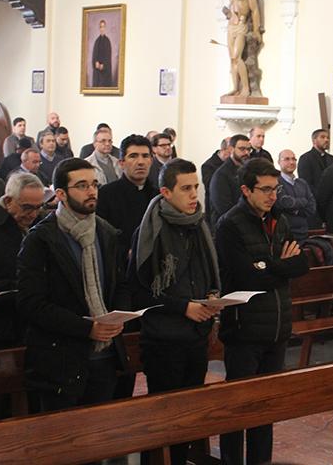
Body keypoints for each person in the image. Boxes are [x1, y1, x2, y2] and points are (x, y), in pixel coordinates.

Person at [17, 158, 131, 411]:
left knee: (100, 442)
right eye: (81, 185)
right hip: (60, 361)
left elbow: (119, 284)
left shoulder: (107, 232)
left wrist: (117, 317)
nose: (91, 191)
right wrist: (85, 328)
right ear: (61, 194)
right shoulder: (41, 239)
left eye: (94, 184)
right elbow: (31, 303)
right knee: (61, 444)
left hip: (106, 356)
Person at [128, 159, 220, 465]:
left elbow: (203, 275)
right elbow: (140, 292)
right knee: (162, 422)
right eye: (186, 188)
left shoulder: (198, 225)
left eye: (196, 187)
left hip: (196, 336)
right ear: (166, 192)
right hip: (163, 340)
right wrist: (184, 307)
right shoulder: (149, 232)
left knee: (188, 420)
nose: (194, 194)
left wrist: (210, 297)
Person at [216, 157, 307, 465]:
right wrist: (280, 266)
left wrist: (272, 267)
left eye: (276, 188)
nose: (273, 196)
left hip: (277, 329)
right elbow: (246, 276)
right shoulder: (230, 225)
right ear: (246, 190)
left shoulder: (279, 220)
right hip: (244, 330)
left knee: (265, 408)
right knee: (237, 408)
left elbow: (302, 264)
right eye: (266, 189)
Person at [0, 173, 45, 420]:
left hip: (30, 323)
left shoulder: (38, 223)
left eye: (39, 207)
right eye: (27, 207)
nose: (33, 214)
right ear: (8, 200)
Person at [96, 134, 158, 261]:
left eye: (145, 156)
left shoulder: (158, 197)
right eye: (133, 156)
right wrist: (126, 253)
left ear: (151, 161)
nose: (140, 162)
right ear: (121, 163)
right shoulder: (106, 194)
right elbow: (102, 237)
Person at [222, 0, 262, 97]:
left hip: (241, 25)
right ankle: (235, 88)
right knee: (231, 59)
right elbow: (233, 6)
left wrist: (257, 30)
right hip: (231, 26)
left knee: (237, 56)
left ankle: (246, 88)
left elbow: (255, 10)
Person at [208, 134, 251, 228]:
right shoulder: (221, 175)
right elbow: (224, 208)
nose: (246, 153)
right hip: (227, 228)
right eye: (242, 149)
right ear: (231, 149)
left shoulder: (247, 171)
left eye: (249, 149)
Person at [275, 149, 316, 241]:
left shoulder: (302, 183)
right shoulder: (275, 182)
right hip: (284, 236)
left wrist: (295, 210)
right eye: (287, 159)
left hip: (303, 234)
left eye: (294, 159)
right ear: (278, 162)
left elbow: (312, 208)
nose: (291, 162)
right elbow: (284, 203)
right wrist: (303, 201)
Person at [298, 129, 333, 229]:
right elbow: (305, 184)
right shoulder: (305, 158)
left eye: (327, 137)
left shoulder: (332, 159)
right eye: (322, 137)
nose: (326, 140)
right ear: (314, 140)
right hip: (314, 206)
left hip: (330, 207)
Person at [201, 137, 230, 221]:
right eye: (232, 148)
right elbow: (211, 187)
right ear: (224, 150)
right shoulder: (208, 166)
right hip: (214, 210)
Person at [91, 19, 113, 87]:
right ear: (99, 28)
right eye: (101, 27)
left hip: (105, 71)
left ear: (105, 28)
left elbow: (108, 56)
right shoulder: (97, 41)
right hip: (97, 72)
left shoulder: (107, 41)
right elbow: (94, 55)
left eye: (103, 27)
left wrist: (103, 65)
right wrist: (96, 62)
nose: (102, 29)